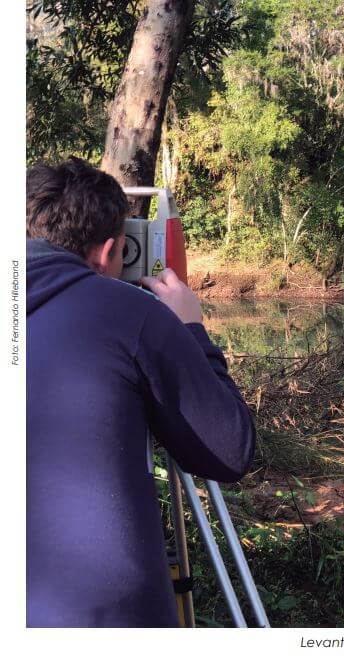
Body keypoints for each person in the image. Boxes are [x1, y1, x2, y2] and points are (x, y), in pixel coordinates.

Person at [26, 159, 257, 627]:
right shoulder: (131, 314)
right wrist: (190, 328)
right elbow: (230, 451)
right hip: (108, 620)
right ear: (111, 249)